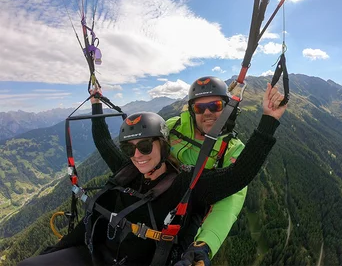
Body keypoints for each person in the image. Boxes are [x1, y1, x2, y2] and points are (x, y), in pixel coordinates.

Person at [16, 82, 286, 266]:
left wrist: (269, 120)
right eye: (130, 148)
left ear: (163, 145)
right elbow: (102, 141)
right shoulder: (129, 170)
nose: (138, 154)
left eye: (145, 146)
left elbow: (239, 176)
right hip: (94, 253)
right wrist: (96, 102)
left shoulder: (184, 183)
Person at [166, 76, 247, 265]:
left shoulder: (231, 149)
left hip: (193, 215)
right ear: (193, 111)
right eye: (200, 108)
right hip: (161, 199)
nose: (207, 112)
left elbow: (231, 199)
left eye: (215, 105)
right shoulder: (173, 128)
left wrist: (205, 244)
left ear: (226, 108)